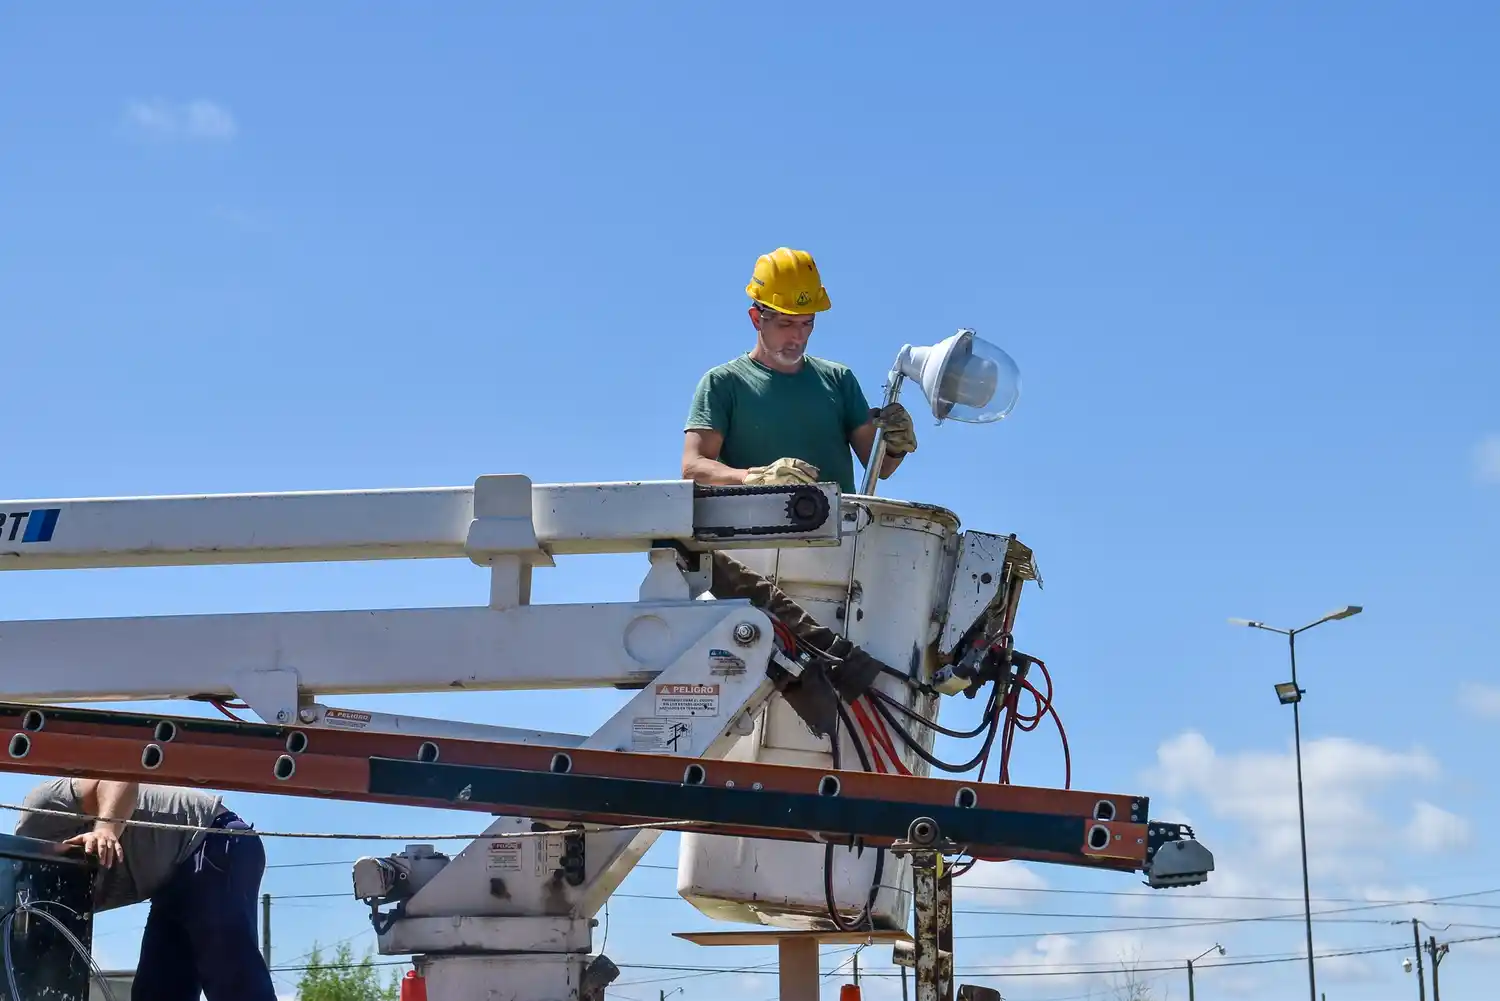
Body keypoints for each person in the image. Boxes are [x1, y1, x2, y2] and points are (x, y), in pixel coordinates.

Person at [14, 778, 277, 1001]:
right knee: (156, 992)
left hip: (212, 837)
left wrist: (106, 829)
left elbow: (121, 776)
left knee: (230, 974)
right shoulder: (32, 909)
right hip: (171, 880)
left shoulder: (36, 820)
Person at [681, 246, 917, 493]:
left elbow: (881, 468)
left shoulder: (838, 380)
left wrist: (895, 445)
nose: (798, 336)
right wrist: (754, 478)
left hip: (838, 531)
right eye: (786, 323)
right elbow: (693, 467)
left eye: (807, 322)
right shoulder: (723, 384)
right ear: (756, 318)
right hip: (752, 529)